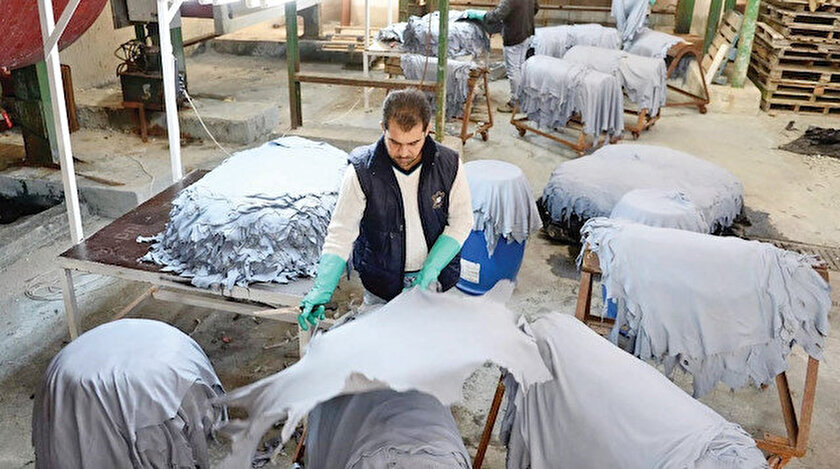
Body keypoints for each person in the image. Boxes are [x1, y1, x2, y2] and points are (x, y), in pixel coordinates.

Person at [297, 89, 474, 330]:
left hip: (436, 280)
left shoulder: (449, 164)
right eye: (395, 142)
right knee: (382, 343)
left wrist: (431, 268)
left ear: (427, 130)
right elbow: (342, 232)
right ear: (383, 128)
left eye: (413, 143)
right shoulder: (361, 171)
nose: (404, 153)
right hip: (381, 284)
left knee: (432, 341)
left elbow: (461, 221)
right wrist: (323, 287)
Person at [464, 0, 540, 112]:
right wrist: (523, 17)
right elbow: (536, 8)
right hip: (527, 33)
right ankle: (523, 99)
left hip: (514, 37)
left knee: (513, 70)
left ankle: (515, 103)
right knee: (521, 68)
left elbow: (496, 16)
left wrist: (481, 15)